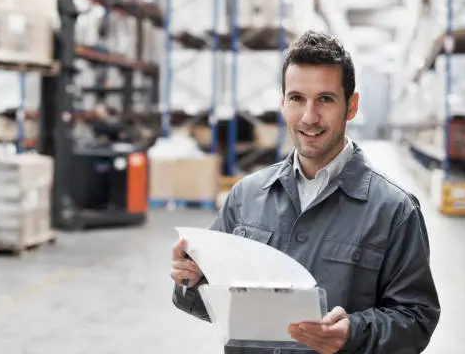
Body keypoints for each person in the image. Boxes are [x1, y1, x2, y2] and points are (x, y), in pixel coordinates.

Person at [170, 30, 440, 354]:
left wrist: (353, 333)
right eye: (297, 98)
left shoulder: (394, 211)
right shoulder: (246, 197)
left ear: (351, 106)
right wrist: (193, 280)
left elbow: (417, 318)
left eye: (325, 99)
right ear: (283, 103)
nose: (309, 117)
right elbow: (218, 305)